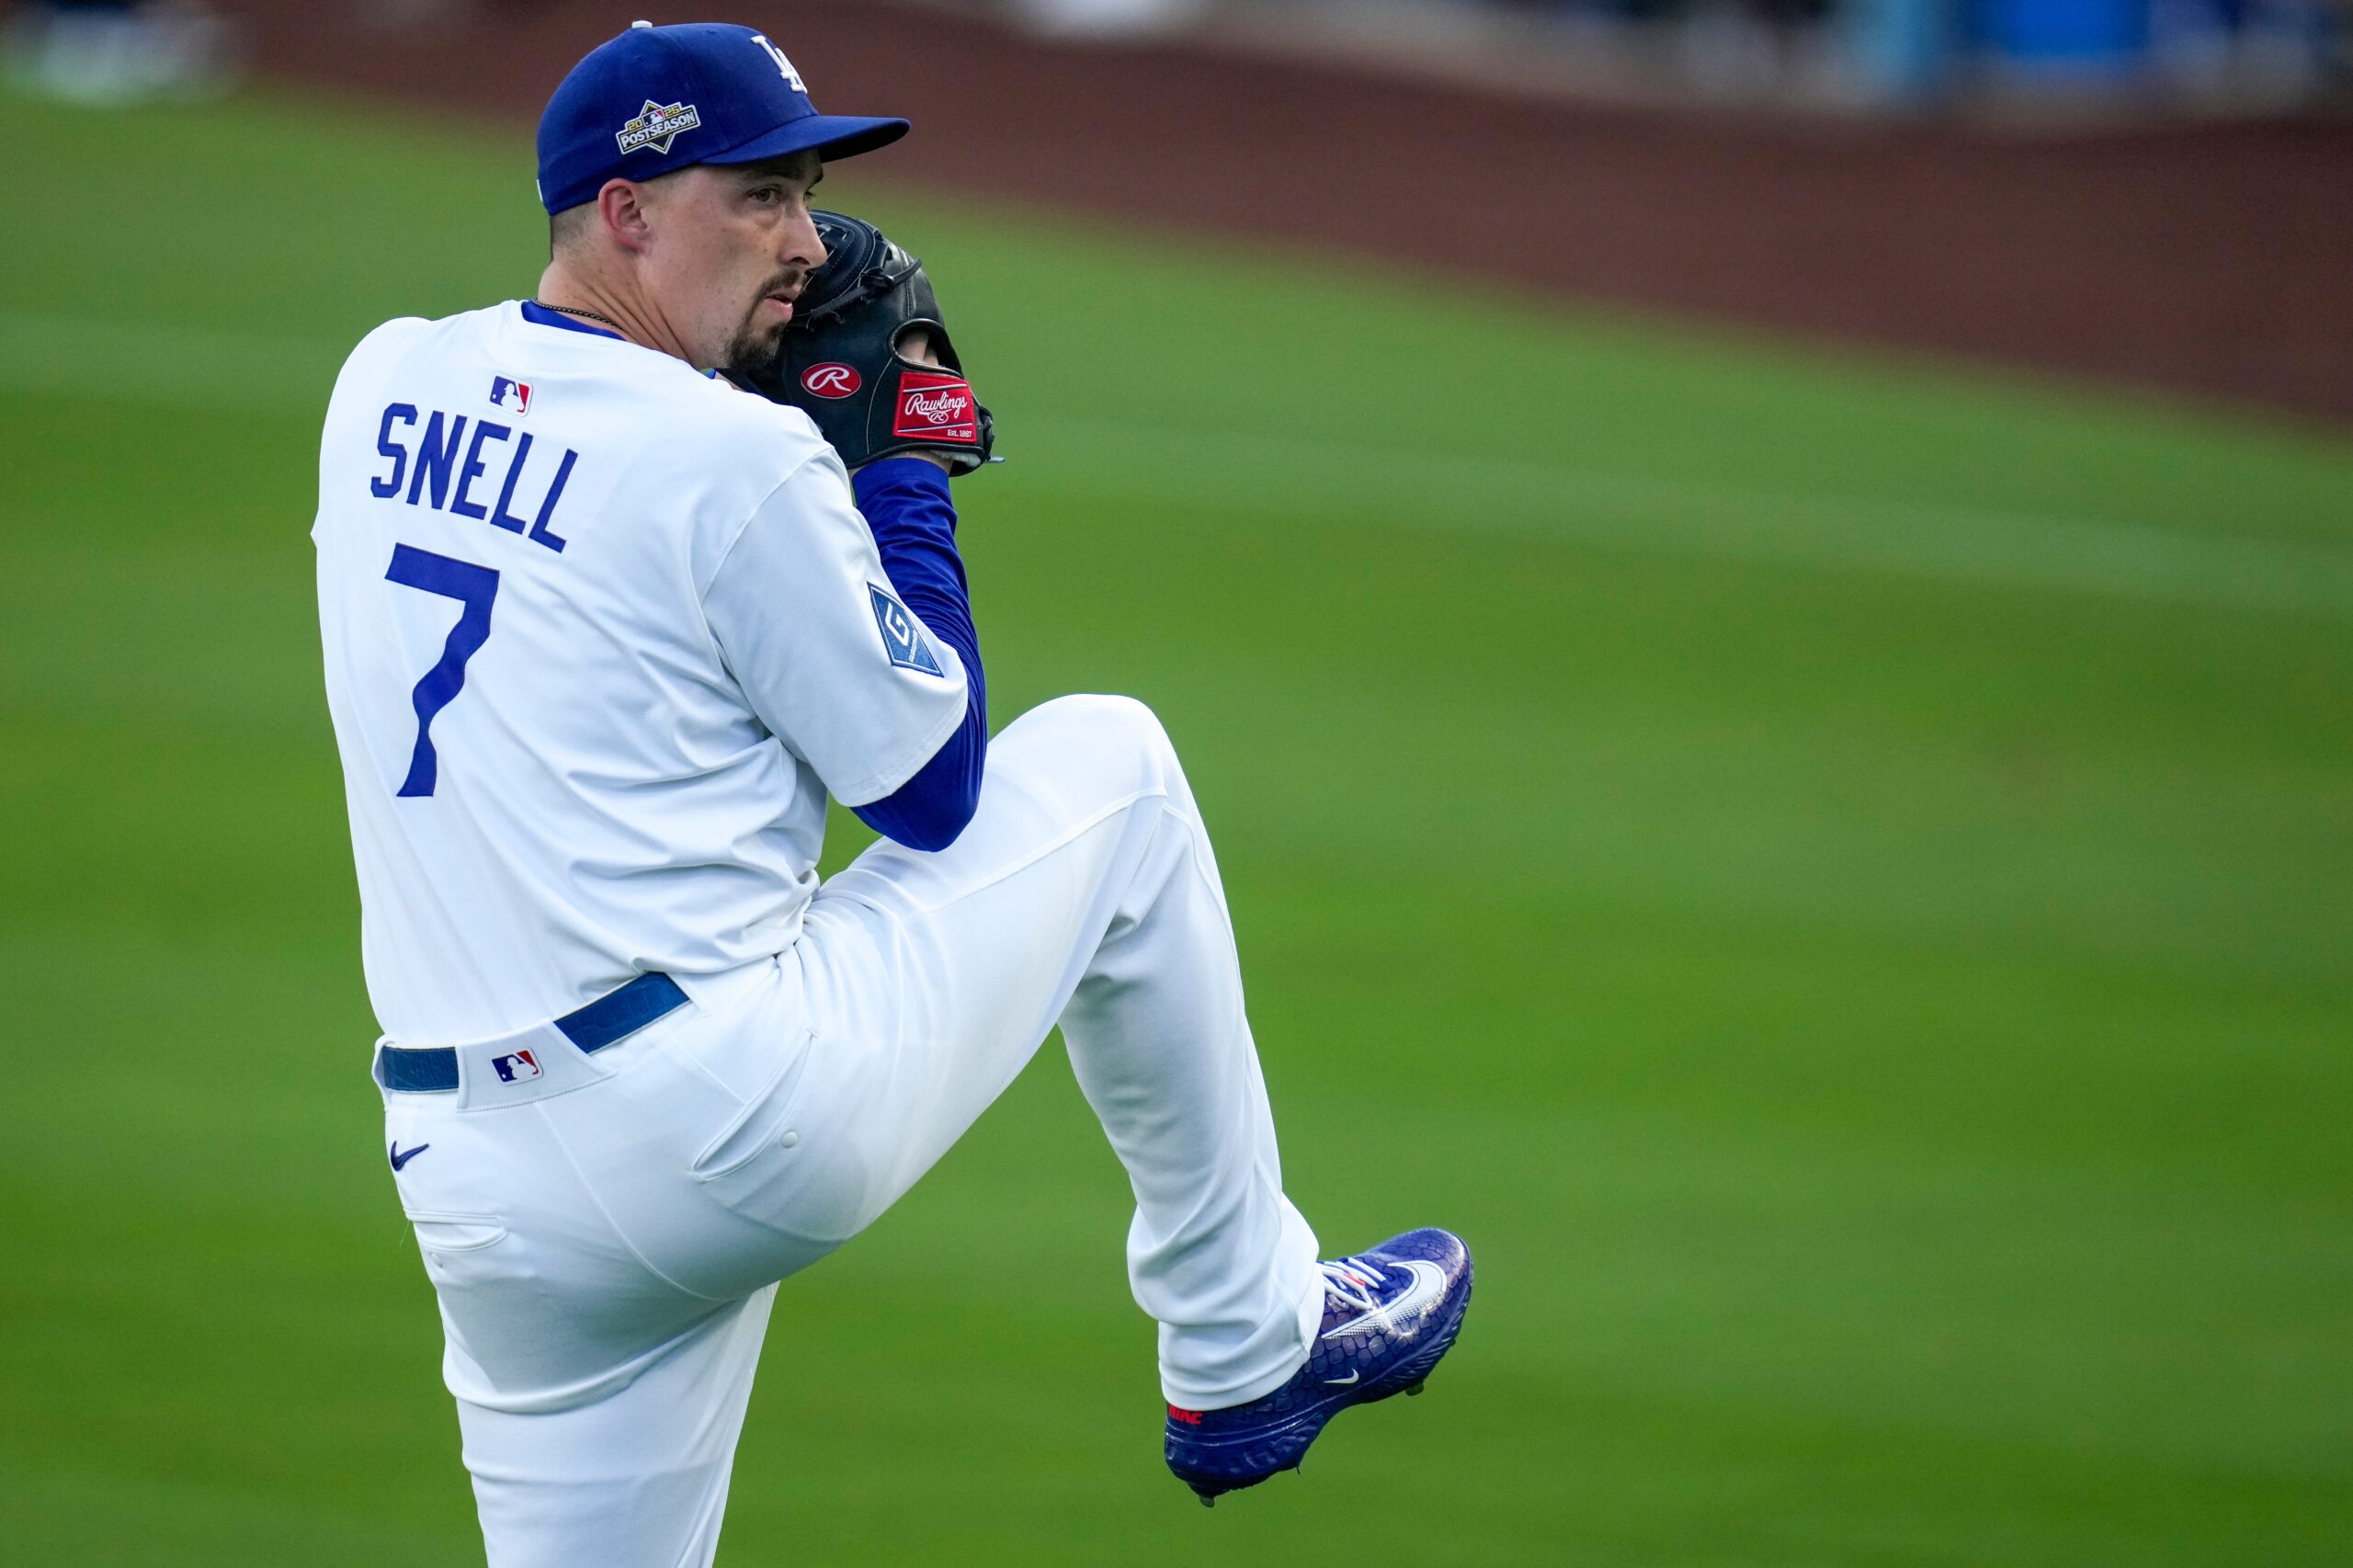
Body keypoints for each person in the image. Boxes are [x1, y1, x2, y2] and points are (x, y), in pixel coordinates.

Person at [311, 20, 1471, 1564]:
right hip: (727, 1118)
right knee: (1115, 766)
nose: (809, 242)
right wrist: (896, 451)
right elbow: (930, 785)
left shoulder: (382, 378)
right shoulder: (731, 463)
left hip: (479, 1194)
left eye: (805, 195)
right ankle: (1242, 1343)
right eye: (764, 197)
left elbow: (583, 553)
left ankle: (1246, 1337)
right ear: (628, 208)